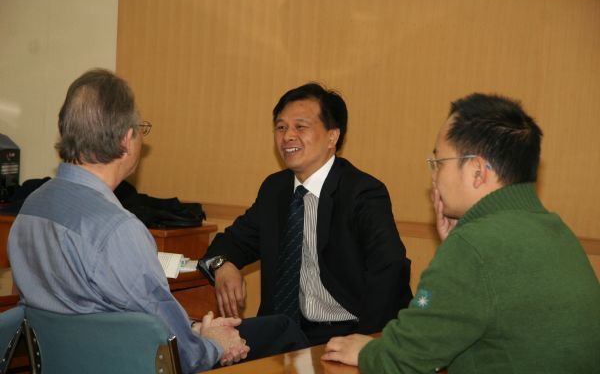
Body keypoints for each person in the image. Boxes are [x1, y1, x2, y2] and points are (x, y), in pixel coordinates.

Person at [8, 69, 307, 373]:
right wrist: (215, 342)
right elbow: (175, 348)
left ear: (64, 129)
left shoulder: (31, 208)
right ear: (126, 140)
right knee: (283, 330)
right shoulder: (117, 230)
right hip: (130, 362)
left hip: (68, 361)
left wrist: (194, 330)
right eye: (140, 129)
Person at [321, 93, 600, 372]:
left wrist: (369, 352)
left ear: (477, 171)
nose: (434, 178)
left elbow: (405, 357)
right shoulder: (556, 231)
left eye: (439, 162)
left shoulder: (474, 245)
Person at [200, 83, 412, 345]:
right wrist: (222, 265)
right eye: (281, 127)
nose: (288, 136)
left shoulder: (363, 193)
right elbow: (232, 242)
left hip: (347, 331)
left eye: (300, 127)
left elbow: (390, 271)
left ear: (332, 137)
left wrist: (364, 342)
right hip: (283, 330)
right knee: (208, 345)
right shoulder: (275, 189)